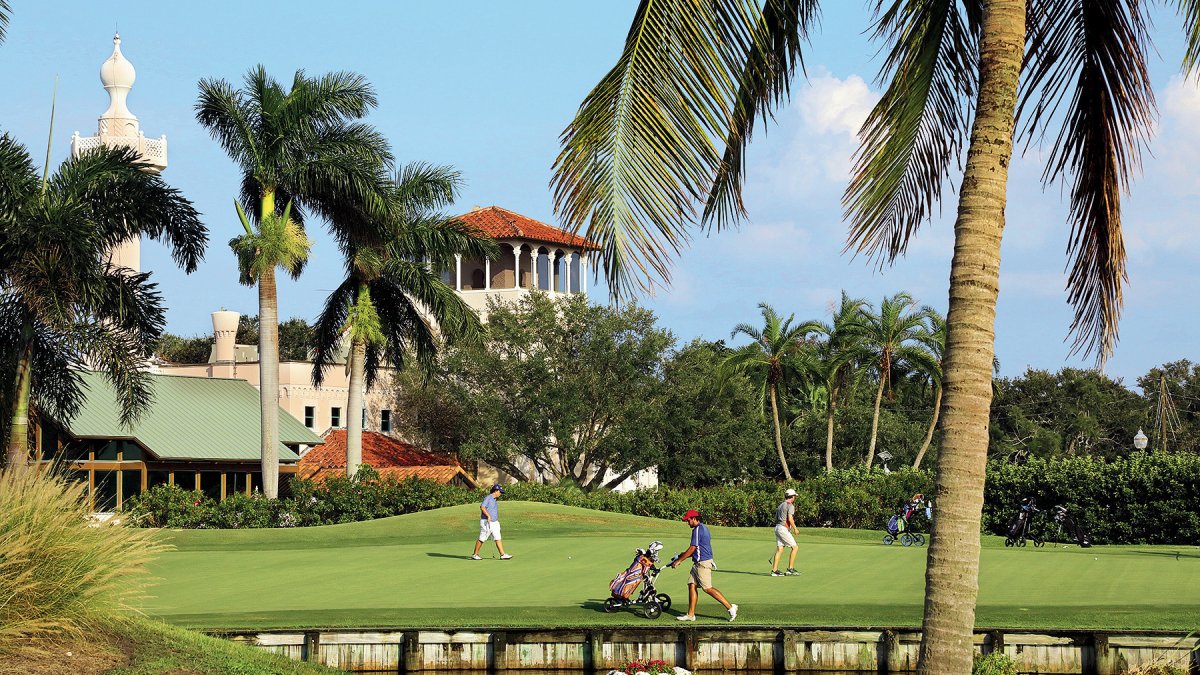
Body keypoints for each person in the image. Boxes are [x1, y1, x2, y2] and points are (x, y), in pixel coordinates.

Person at [670, 509, 737, 622]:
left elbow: (693, 548)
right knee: (691, 585)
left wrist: (679, 561)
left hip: (703, 564)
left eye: (688, 520)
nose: (687, 523)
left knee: (708, 589)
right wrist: (682, 555)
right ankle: (691, 615)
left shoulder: (697, 530)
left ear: (695, 518)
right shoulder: (704, 528)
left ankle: (731, 608)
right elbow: (698, 549)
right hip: (698, 563)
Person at [471, 484, 512, 560]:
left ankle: (502, 554)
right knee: (482, 538)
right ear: (496, 491)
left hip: (495, 522)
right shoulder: (488, 498)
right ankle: (475, 554)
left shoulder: (494, 499)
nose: (500, 494)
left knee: (497, 537)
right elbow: (482, 507)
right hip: (487, 522)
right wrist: (488, 516)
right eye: (500, 492)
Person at [771, 488, 800, 576]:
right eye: (794, 496)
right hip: (783, 529)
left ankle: (774, 570)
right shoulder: (790, 505)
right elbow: (790, 519)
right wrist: (795, 528)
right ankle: (790, 569)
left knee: (780, 549)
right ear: (792, 497)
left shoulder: (780, 505)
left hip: (777, 528)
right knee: (795, 547)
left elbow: (776, 518)